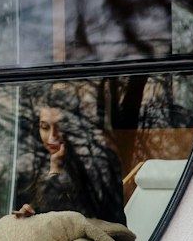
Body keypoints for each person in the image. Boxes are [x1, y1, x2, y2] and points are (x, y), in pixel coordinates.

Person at [12, 86, 126, 226]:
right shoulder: (35, 161)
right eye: (45, 127)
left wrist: (55, 170)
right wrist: (31, 211)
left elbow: (81, 217)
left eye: (60, 127)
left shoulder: (97, 162)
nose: (52, 137)